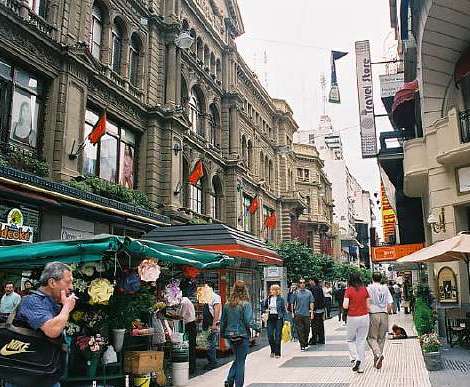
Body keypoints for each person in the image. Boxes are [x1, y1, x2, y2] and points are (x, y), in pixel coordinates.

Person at [5, 262, 76, 387]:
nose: (71, 287)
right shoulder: (32, 301)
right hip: (27, 378)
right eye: (68, 282)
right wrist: (66, 308)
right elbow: (52, 330)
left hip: (43, 374)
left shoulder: (51, 303)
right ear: (52, 283)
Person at [221, 280, 256, 387]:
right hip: (242, 335)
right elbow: (248, 321)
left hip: (230, 336)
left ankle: (229, 380)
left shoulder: (227, 304)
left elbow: (223, 321)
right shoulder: (246, 304)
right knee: (241, 362)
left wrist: (223, 335)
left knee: (237, 358)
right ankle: (237, 384)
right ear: (245, 290)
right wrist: (258, 328)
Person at [343, 273, 370, 374]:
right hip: (365, 317)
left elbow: (345, 306)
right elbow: (368, 305)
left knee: (350, 340)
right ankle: (361, 367)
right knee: (361, 341)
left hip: (353, 317)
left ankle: (355, 358)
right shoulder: (364, 289)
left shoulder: (349, 290)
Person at [366, 272, 394, 369]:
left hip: (373, 314)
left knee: (371, 337)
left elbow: (367, 302)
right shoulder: (385, 288)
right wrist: (388, 312)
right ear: (381, 278)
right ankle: (377, 358)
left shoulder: (368, 288)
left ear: (372, 278)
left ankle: (378, 354)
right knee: (381, 338)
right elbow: (390, 303)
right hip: (384, 314)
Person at [263, 284, 286, 358]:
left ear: (277, 291)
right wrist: (265, 310)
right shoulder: (268, 299)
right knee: (270, 335)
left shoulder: (281, 299)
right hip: (270, 318)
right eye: (271, 290)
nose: (271, 291)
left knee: (278, 336)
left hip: (278, 318)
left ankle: (277, 353)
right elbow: (264, 307)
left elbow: (283, 310)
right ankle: (272, 350)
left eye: (273, 290)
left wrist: (285, 320)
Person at [202, 281, 222, 370]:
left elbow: (217, 311)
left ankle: (213, 362)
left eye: (205, 287)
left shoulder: (215, 297)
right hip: (207, 323)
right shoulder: (206, 297)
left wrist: (214, 324)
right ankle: (210, 361)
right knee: (208, 343)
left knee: (211, 344)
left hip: (212, 323)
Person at [177, 296, 197, 375]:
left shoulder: (184, 302)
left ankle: (191, 369)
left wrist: (170, 316)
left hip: (190, 325)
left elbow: (181, 315)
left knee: (191, 347)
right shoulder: (185, 300)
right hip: (190, 325)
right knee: (191, 347)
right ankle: (191, 367)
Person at [292, 278, 313, 351]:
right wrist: (292, 312)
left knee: (307, 330)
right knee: (300, 330)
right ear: (299, 284)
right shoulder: (296, 293)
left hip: (306, 314)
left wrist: (312, 312)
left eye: (303, 282)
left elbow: (311, 302)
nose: (302, 284)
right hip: (298, 314)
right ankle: (302, 345)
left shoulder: (309, 293)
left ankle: (305, 341)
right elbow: (292, 303)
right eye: (301, 283)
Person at [310, 278, 325, 345]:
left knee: (314, 326)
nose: (309, 282)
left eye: (310, 280)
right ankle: (321, 339)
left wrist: (313, 310)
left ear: (313, 281)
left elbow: (315, 299)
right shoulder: (319, 288)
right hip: (321, 309)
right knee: (320, 325)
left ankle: (314, 339)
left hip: (316, 310)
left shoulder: (314, 288)